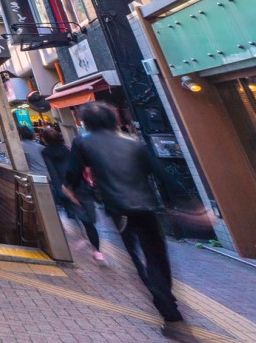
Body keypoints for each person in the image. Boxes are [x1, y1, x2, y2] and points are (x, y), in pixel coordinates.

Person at [65, 102, 186, 333]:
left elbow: (73, 170)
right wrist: (185, 204)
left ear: (86, 122)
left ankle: (168, 310)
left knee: (138, 258)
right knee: (157, 257)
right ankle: (169, 303)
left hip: (119, 209)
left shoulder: (83, 142)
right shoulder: (133, 142)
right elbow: (160, 173)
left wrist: (69, 188)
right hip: (147, 207)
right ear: (113, 120)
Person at [41, 126, 102, 261]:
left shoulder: (46, 152)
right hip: (80, 185)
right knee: (89, 221)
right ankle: (97, 251)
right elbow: (79, 167)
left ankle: (85, 238)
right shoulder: (68, 148)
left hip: (66, 189)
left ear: (45, 140)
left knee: (78, 217)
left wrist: (61, 191)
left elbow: (53, 173)